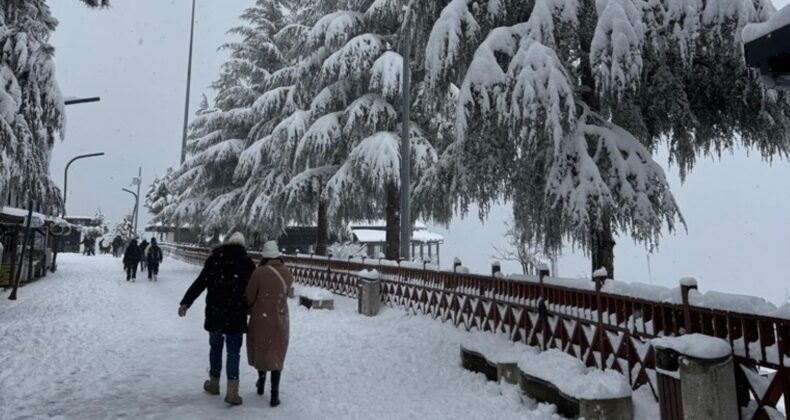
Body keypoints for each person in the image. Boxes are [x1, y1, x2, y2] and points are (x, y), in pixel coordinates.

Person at [178, 232, 255, 406]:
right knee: (233, 352)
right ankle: (232, 392)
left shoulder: (215, 260)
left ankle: (213, 383)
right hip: (236, 314)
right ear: (243, 246)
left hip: (216, 313)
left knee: (216, 348)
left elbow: (200, 283)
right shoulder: (247, 263)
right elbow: (254, 290)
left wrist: (186, 302)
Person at [245, 240, 293, 407]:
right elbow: (287, 291)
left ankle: (261, 381)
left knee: (261, 349)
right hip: (280, 318)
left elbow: (249, 296)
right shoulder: (286, 272)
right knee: (276, 353)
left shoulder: (258, 273)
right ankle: (274, 394)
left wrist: (251, 310)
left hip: (261, 318)